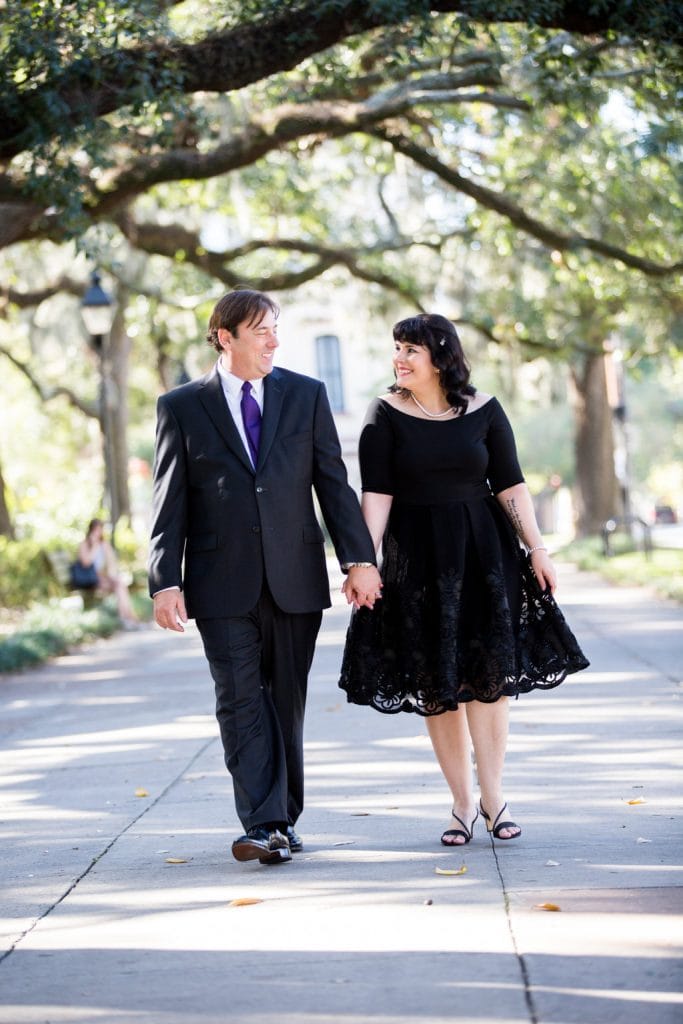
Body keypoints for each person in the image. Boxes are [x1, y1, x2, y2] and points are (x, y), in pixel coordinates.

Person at [148, 289, 382, 866]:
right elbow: (167, 499)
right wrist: (164, 580)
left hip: (295, 575)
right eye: (260, 331)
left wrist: (358, 560)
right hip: (219, 581)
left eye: (275, 329)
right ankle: (264, 821)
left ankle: (284, 819)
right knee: (238, 699)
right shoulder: (181, 405)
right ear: (225, 337)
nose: (273, 341)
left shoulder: (306, 395)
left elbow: (332, 482)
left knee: (285, 701)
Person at [339, 313, 589, 846]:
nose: (399, 358)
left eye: (411, 349)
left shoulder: (485, 410)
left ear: (441, 356)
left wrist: (537, 549)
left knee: (488, 680)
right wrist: (364, 563)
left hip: (484, 554)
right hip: (419, 560)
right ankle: (461, 803)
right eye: (397, 349)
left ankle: (495, 797)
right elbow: (376, 496)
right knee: (440, 684)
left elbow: (512, 487)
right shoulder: (383, 414)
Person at [76, 518, 139, 627]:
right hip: (91, 580)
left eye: (100, 530)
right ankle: (129, 619)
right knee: (119, 585)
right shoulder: (84, 544)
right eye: (96, 530)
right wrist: (94, 547)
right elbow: (86, 563)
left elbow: (111, 562)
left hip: (103, 577)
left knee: (120, 585)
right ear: (90, 530)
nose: (98, 532)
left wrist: (112, 573)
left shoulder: (104, 544)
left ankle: (126, 618)